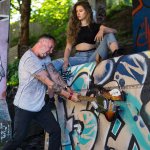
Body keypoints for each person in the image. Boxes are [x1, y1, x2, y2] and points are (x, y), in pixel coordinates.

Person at [2, 34, 79, 150]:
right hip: (24, 106)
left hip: (39, 105)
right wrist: (70, 96)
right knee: (18, 138)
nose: (51, 51)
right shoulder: (29, 59)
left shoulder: (45, 57)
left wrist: (67, 87)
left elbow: (54, 74)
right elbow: (49, 82)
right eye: (50, 47)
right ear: (41, 43)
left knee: (55, 131)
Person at [52, 1, 119, 71]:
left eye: (81, 11)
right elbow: (68, 48)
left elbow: (114, 31)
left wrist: (102, 29)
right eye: (76, 11)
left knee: (109, 34)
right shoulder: (73, 29)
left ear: (87, 11)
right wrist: (66, 60)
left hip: (94, 56)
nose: (78, 13)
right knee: (56, 63)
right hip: (78, 58)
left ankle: (118, 56)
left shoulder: (95, 26)